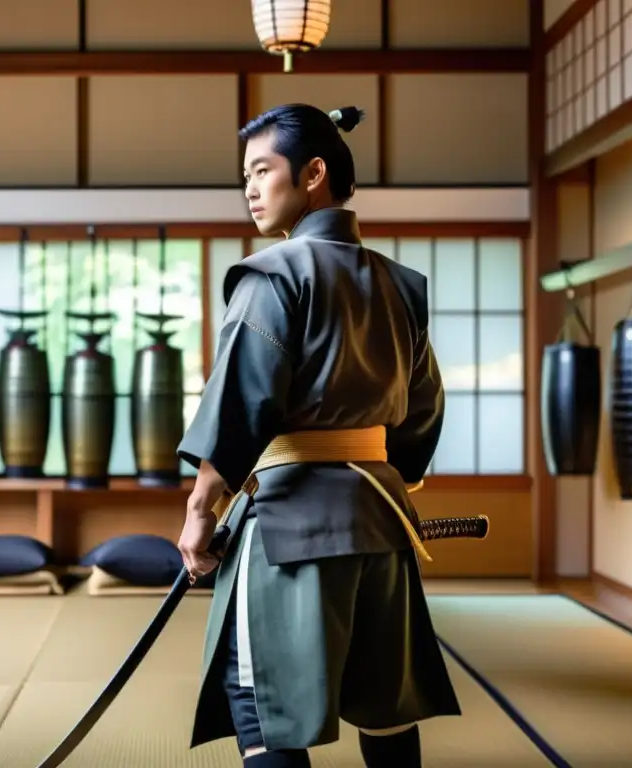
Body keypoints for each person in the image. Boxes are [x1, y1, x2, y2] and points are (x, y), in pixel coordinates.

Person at [175, 103, 461, 768]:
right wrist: (391, 477)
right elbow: (422, 410)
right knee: (386, 707)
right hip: (383, 522)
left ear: (313, 173)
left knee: (265, 708)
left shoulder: (273, 276)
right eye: (244, 175)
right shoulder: (400, 285)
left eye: (261, 170)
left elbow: (241, 406)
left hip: (288, 527)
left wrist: (198, 513)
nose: (249, 188)